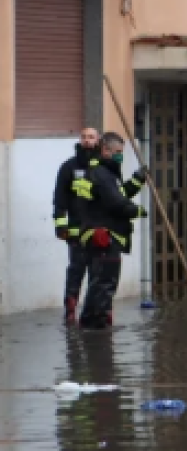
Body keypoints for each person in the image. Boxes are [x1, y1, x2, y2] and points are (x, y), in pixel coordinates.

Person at [75, 132, 148, 329]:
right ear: (105, 150)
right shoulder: (102, 174)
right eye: (117, 152)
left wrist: (137, 180)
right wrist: (139, 211)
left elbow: (118, 194)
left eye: (121, 153)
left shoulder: (105, 173)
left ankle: (90, 326)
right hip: (105, 238)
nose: (120, 156)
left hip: (101, 238)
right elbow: (118, 204)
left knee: (99, 284)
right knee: (104, 286)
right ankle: (97, 332)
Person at [53, 127, 101, 324]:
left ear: (98, 140)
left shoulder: (104, 167)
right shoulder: (69, 167)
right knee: (76, 270)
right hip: (76, 231)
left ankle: (96, 312)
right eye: (84, 137)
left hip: (100, 232)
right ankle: (71, 309)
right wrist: (60, 225)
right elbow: (59, 198)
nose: (87, 140)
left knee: (98, 273)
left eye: (91, 137)